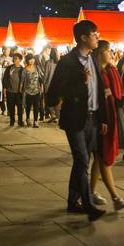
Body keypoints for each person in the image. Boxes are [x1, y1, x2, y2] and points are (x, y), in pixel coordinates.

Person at [46, 19, 107, 221]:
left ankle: (73, 201)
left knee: (82, 161)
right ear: (83, 38)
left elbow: (99, 91)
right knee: (82, 160)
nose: (98, 37)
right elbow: (54, 92)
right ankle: (88, 205)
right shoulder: (68, 62)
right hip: (75, 119)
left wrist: (103, 118)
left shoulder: (93, 59)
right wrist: (79, 81)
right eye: (94, 34)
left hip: (93, 118)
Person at [89, 40, 124, 210]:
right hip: (99, 117)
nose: (111, 53)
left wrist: (109, 91)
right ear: (99, 53)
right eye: (108, 50)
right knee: (103, 156)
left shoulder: (110, 70)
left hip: (110, 115)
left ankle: (90, 192)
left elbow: (118, 93)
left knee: (99, 158)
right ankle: (115, 196)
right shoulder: (94, 71)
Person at [21, 54, 44, 128]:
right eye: (30, 59)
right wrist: (20, 89)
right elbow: (22, 80)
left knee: (36, 106)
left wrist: (42, 87)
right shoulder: (25, 70)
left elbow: (41, 78)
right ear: (27, 60)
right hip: (27, 91)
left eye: (33, 59)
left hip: (37, 90)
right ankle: (28, 119)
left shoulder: (37, 68)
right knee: (28, 106)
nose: (32, 60)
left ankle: (35, 121)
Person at [2, 53, 25, 126]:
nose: (14, 60)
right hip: (10, 91)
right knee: (11, 107)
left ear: (20, 60)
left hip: (19, 92)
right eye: (14, 58)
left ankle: (20, 121)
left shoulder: (22, 69)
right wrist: (5, 88)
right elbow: (5, 78)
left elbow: (24, 80)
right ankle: (12, 121)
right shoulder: (9, 68)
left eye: (16, 58)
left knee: (20, 107)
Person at [42, 48, 60, 123]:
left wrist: (43, 83)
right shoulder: (59, 62)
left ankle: (52, 115)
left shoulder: (48, 62)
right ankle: (57, 117)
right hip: (58, 85)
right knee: (57, 102)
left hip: (49, 85)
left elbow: (46, 75)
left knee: (48, 101)